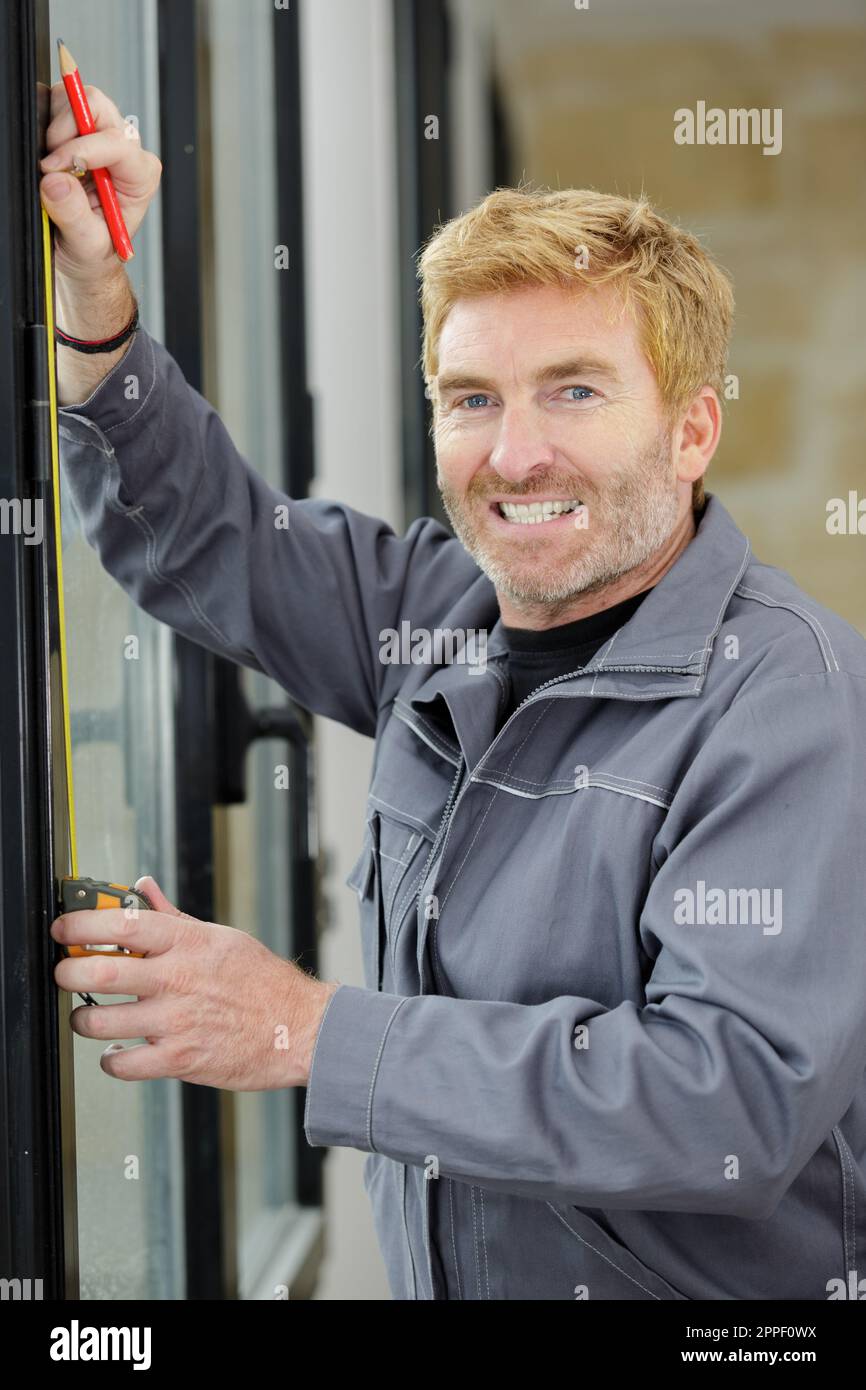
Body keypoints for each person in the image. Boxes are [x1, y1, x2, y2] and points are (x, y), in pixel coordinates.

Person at [42, 81, 866, 1302]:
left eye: (574, 390)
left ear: (691, 431)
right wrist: (98, 308)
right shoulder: (440, 621)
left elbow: (724, 1097)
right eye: (471, 398)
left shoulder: (789, 700)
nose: (513, 452)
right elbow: (215, 538)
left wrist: (306, 1030)